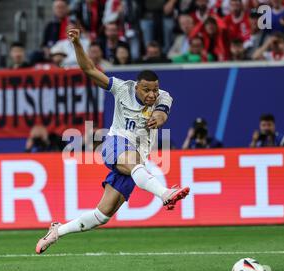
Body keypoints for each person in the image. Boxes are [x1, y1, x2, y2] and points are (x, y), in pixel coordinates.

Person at [35, 27, 190, 254]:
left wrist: (157, 118)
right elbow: (88, 69)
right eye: (147, 90)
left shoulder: (163, 97)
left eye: (154, 90)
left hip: (136, 158)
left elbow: (162, 113)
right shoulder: (122, 88)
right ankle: (165, 194)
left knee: (102, 215)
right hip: (115, 144)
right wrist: (77, 43)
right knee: (136, 164)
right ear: (137, 87)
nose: (151, 95)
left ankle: (57, 231)